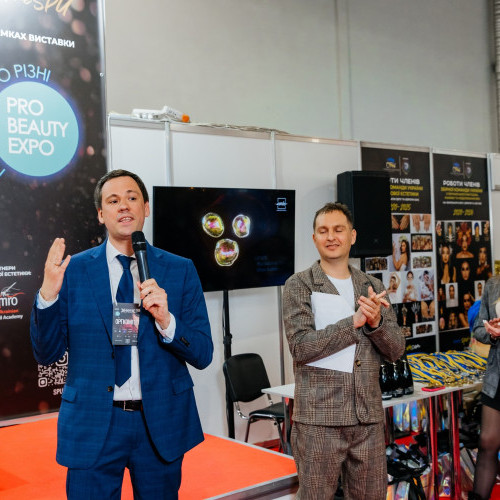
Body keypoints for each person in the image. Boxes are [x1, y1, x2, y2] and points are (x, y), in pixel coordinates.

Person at [30, 169, 213, 499]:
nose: (124, 206)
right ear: (101, 214)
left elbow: (202, 353)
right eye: (113, 201)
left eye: (132, 198)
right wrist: (47, 294)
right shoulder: (74, 271)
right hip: (94, 421)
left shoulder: (180, 269)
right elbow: (47, 353)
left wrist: (167, 321)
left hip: (159, 423)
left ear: (146, 207)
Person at [282, 202, 405, 499]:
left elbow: (396, 350)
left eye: (338, 230)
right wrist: (353, 322)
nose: (331, 237)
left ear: (352, 236)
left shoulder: (371, 285)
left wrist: (376, 323)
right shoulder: (299, 285)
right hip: (318, 420)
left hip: (367, 418)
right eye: (323, 231)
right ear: (314, 238)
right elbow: (301, 346)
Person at [470, 276, 500, 500]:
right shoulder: (494, 284)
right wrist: (491, 332)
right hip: (497, 377)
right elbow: (479, 328)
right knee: (487, 441)